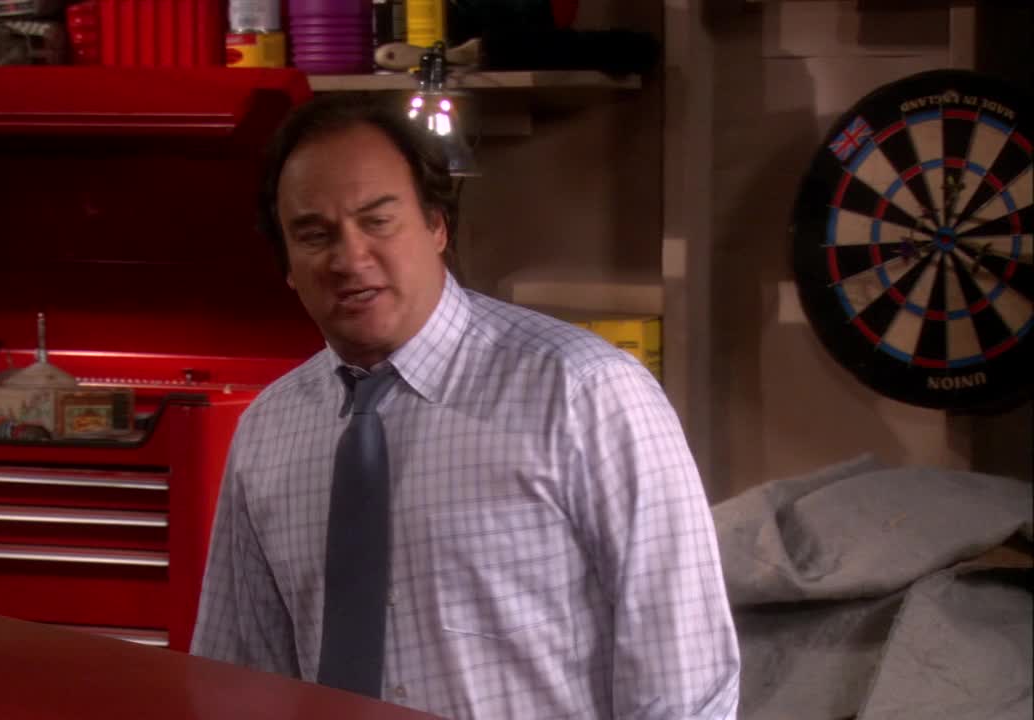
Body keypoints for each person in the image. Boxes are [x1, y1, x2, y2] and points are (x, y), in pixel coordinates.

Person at [190, 93, 740, 719]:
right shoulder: (267, 432)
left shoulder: (585, 393)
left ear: (436, 225)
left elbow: (685, 682)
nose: (349, 259)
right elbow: (238, 678)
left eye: (378, 221)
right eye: (315, 235)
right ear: (287, 263)